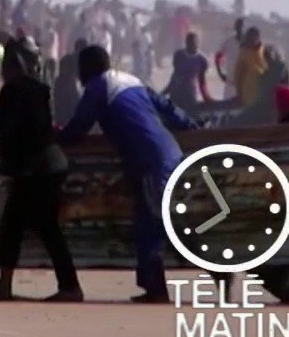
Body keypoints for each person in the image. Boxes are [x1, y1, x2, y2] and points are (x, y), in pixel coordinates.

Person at [57, 46, 200, 303]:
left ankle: (158, 288)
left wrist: (57, 138)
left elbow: (80, 126)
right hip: (170, 152)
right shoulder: (130, 80)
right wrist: (192, 127)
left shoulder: (99, 87)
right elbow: (168, 108)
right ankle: (205, 270)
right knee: (165, 218)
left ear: (87, 69)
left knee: (151, 222)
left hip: (148, 159)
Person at [0, 40, 82, 302]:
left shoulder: (14, 90)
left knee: (36, 227)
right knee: (21, 224)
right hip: (47, 166)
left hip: (34, 170)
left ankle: (69, 287)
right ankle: (9, 283)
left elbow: (4, 122)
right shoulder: (41, 89)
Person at [162, 32, 213, 114]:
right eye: (189, 43)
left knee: (189, 118)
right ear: (186, 43)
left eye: (194, 43)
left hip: (190, 94)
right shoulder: (178, 55)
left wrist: (207, 98)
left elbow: (202, 81)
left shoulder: (202, 60)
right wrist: (164, 93)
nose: (191, 45)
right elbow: (175, 76)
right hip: (176, 93)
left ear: (198, 43)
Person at [233, 26, 267, 107]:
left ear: (258, 37)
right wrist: (239, 93)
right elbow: (238, 75)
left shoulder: (266, 51)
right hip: (249, 93)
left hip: (264, 94)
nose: (251, 40)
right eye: (249, 37)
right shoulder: (243, 53)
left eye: (254, 37)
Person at [214, 17, 245, 100]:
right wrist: (220, 73)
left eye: (241, 26)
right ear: (235, 27)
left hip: (244, 83)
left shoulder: (248, 43)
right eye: (238, 25)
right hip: (230, 82)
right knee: (226, 106)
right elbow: (217, 57)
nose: (240, 28)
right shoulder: (229, 41)